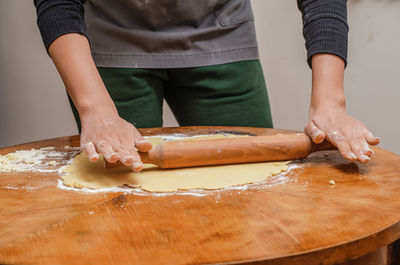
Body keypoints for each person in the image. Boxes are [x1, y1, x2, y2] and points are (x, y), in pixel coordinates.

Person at [34, 0, 380, 172]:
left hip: (221, 27)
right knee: (122, 196)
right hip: (110, 39)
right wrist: (96, 109)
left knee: (255, 185)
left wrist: (330, 101)